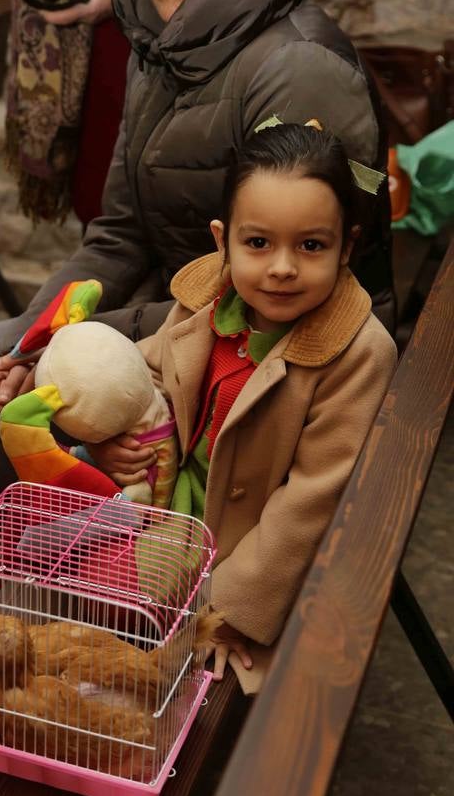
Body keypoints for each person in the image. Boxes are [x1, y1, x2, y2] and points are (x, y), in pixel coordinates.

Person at [0, 0, 395, 517]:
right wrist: (34, 341)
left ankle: (115, 569)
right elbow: (119, 232)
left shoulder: (301, 68)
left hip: (259, 338)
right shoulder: (157, 38)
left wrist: (67, 359)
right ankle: (63, 551)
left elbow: (290, 281)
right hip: (186, 301)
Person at [93, 122, 397, 681]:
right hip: (167, 500)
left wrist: (227, 611)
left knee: (114, 629)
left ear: (346, 246)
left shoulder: (357, 351)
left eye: (311, 245)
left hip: (238, 544)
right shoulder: (210, 298)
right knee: (53, 572)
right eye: (258, 243)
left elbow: (310, 501)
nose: (282, 267)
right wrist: (117, 438)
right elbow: (151, 373)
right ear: (222, 240)